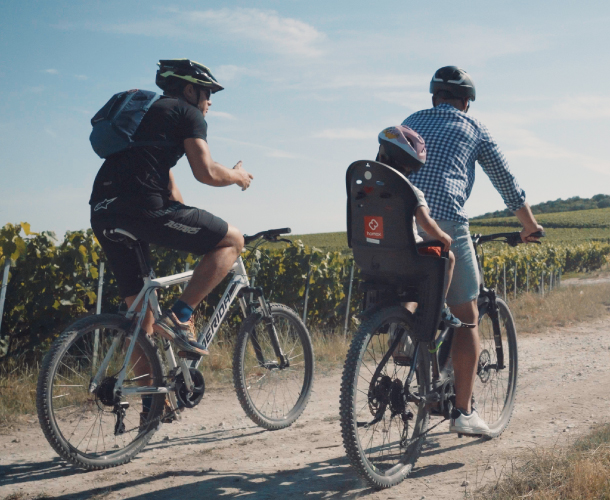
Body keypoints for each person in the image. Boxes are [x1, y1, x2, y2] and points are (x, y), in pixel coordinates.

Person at [401, 66, 543, 436]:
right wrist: (529, 226)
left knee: (415, 290)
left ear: (435, 97)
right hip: (445, 219)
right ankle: (463, 413)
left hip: (396, 221)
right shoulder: (473, 127)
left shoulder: (410, 121)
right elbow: (506, 182)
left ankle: (400, 327)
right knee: (466, 316)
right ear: (466, 102)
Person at [90, 59, 254, 361]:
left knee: (141, 323)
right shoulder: (187, 113)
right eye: (207, 94)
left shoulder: (145, 120)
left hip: (102, 212)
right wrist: (237, 176)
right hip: (142, 211)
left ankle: (155, 406)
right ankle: (180, 316)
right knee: (233, 240)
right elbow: (206, 172)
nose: (210, 102)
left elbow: (169, 187)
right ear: (190, 90)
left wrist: (188, 222)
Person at [376, 125, 467, 333]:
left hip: (374, 255)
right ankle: (440, 308)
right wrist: (443, 236)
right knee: (448, 257)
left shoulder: (366, 189)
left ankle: (398, 331)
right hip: (408, 255)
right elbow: (426, 222)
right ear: (409, 167)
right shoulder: (411, 191)